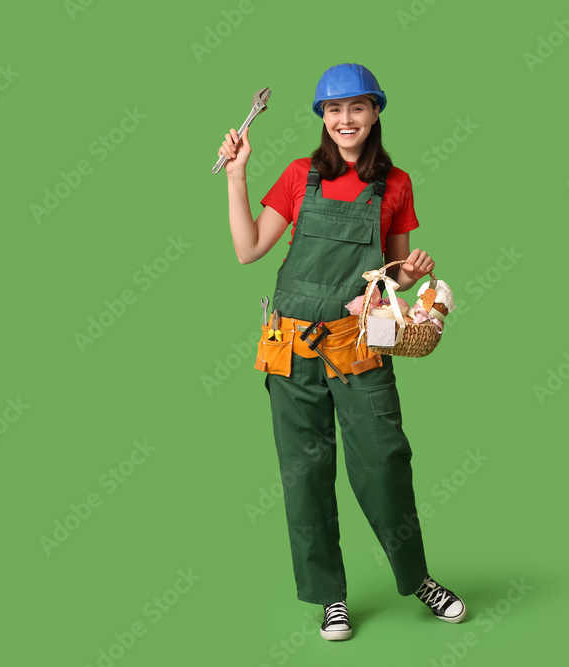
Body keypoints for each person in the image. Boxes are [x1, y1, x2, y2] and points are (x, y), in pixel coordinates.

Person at [219, 63, 465, 641]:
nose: (344, 119)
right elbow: (248, 248)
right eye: (333, 109)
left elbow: (394, 274)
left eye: (356, 107)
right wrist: (237, 175)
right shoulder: (299, 176)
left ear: (375, 111)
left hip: (357, 346)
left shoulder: (395, 184)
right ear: (322, 118)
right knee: (305, 475)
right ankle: (330, 596)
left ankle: (418, 577)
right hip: (290, 350)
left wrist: (410, 272)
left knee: (383, 464)